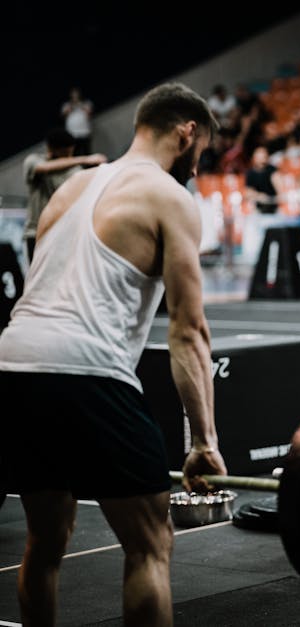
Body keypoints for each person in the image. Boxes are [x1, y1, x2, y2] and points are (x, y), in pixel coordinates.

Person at [0, 82, 227, 626]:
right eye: (202, 155)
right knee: (150, 545)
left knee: (45, 538)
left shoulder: (70, 188)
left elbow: (42, 288)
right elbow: (189, 332)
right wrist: (204, 443)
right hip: (86, 370)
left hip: (12, 364)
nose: (197, 169)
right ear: (186, 131)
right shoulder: (172, 198)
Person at [22, 128, 106, 260]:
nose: (69, 156)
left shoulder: (74, 169)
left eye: (70, 152)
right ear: (52, 149)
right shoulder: (33, 160)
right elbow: (43, 168)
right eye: (65, 152)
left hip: (63, 234)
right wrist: (85, 159)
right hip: (37, 234)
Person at [61, 87, 94, 155]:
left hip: (84, 132)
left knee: (87, 152)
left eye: (76, 94)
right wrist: (72, 106)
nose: (75, 96)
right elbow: (64, 115)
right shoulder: (66, 105)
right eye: (73, 94)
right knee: (74, 153)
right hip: (72, 133)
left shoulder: (86, 103)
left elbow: (89, 114)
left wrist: (80, 105)